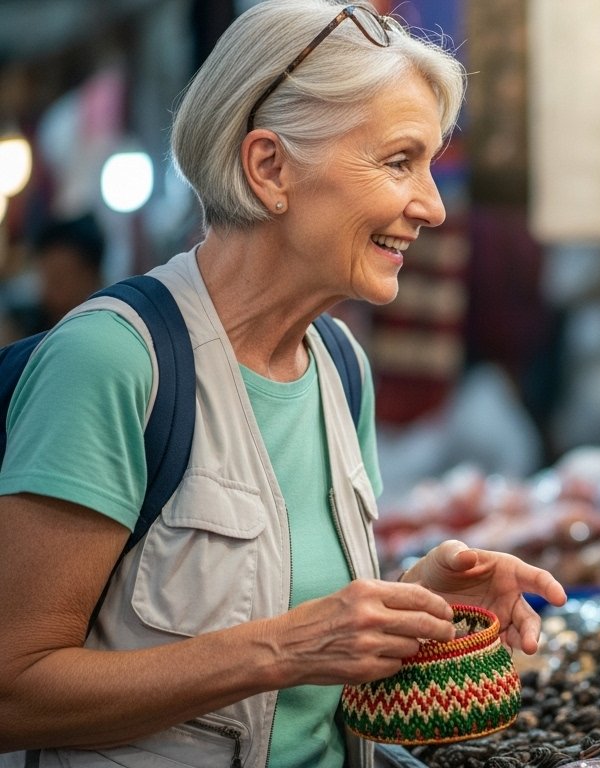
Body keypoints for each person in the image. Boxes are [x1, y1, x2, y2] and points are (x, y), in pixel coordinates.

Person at [0, 2, 566, 766]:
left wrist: (414, 605)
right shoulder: (111, 364)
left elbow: (298, 661)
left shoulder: (339, 365)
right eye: (400, 161)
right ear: (270, 168)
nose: (432, 205)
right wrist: (285, 649)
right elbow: (15, 690)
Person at [0, 213, 106, 343]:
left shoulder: (103, 329)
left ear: (91, 275)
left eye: (62, 276)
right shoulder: (23, 324)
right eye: (46, 275)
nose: (51, 286)